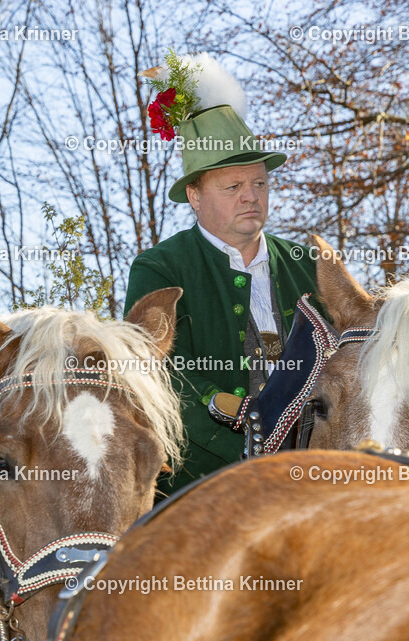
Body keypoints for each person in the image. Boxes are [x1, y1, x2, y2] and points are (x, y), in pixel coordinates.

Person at [124, 99, 320, 496]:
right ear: (195, 196)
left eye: (260, 184)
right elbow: (156, 371)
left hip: (313, 476)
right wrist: (246, 450)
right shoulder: (160, 267)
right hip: (200, 488)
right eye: (233, 186)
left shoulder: (309, 264)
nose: (251, 197)